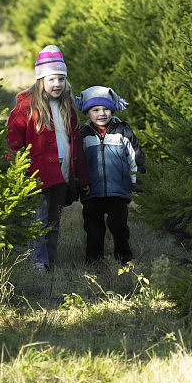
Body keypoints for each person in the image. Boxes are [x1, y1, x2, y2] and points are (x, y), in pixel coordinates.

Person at [6, 45, 88, 272]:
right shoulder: (26, 108)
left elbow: (75, 139)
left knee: (54, 219)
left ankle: (49, 261)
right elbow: (12, 144)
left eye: (61, 79)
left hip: (62, 173)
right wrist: (18, 172)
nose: (57, 84)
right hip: (37, 174)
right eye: (52, 79)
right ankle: (36, 263)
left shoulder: (67, 105)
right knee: (38, 219)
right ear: (41, 79)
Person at [76, 86, 145, 265]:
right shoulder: (83, 135)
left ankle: (124, 258)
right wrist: (79, 184)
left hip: (118, 191)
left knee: (119, 226)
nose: (102, 114)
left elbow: (135, 157)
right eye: (96, 110)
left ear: (112, 110)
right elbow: (78, 162)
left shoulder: (122, 131)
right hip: (92, 192)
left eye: (106, 109)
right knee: (93, 228)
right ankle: (94, 261)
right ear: (87, 113)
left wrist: (136, 182)